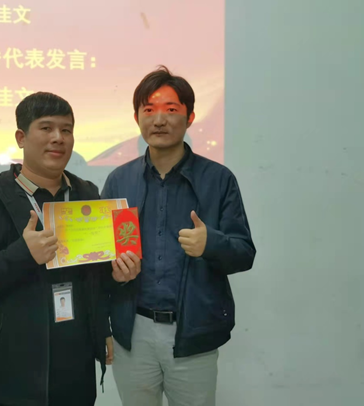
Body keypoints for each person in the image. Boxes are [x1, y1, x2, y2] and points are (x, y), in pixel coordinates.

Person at [0, 92, 138, 406]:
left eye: (66, 129)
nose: (58, 138)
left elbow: (95, 275)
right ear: (21, 137)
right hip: (9, 369)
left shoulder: (87, 195)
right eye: (46, 128)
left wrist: (118, 279)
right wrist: (23, 254)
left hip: (74, 366)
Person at [101, 66, 256, 406]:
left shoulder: (219, 179)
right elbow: (101, 257)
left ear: (190, 117)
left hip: (192, 332)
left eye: (171, 109)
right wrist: (114, 272)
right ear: (137, 118)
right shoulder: (118, 181)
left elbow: (244, 253)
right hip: (133, 332)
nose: (159, 120)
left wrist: (211, 243)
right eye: (149, 110)